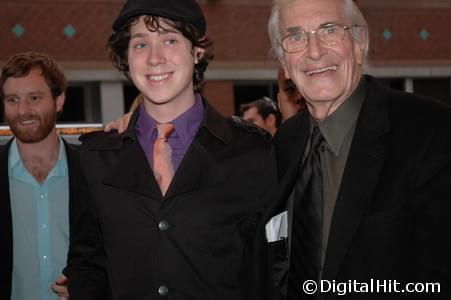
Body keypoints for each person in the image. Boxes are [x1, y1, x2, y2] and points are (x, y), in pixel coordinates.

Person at [63, 0, 277, 299]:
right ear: (126, 57)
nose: (154, 58)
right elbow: (87, 265)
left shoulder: (251, 152)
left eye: (170, 40)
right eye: (140, 44)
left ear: (197, 51)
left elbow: (269, 270)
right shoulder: (95, 158)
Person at [266, 0, 451, 299]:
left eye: (329, 30)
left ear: (359, 41)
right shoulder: (284, 143)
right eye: (296, 36)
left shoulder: (432, 132)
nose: (314, 51)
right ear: (284, 63)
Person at [0, 52, 81, 300]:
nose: (23, 110)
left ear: (59, 101)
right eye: (13, 99)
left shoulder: (91, 170)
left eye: (34, 98)